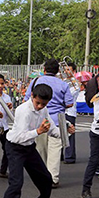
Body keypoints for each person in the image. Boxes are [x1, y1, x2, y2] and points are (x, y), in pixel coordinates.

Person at [0, 84, 70, 198]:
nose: (40, 106)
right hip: (15, 148)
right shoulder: (23, 111)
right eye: (38, 102)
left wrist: (65, 132)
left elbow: (52, 129)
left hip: (29, 147)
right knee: (16, 185)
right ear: (32, 96)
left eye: (44, 104)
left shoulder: (44, 110)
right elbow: (20, 136)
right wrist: (38, 131)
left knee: (46, 179)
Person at [24, 59, 74, 188]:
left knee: (41, 150)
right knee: (55, 151)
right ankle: (53, 178)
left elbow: (26, 99)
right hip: (57, 120)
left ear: (44, 70)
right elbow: (69, 103)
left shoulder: (35, 81)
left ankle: (41, 176)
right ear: (58, 71)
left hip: (39, 121)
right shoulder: (63, 84)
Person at [62, 62, 80, 165]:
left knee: (70, 133)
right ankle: (60, 154)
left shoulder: (75, 83)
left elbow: (69, 95)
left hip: (70, 111)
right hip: (61, 110)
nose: (66, 72)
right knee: (59, 132)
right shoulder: (63, 81)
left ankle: (70, 156)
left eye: (68, 70)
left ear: (73, 71)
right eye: (65, 70)